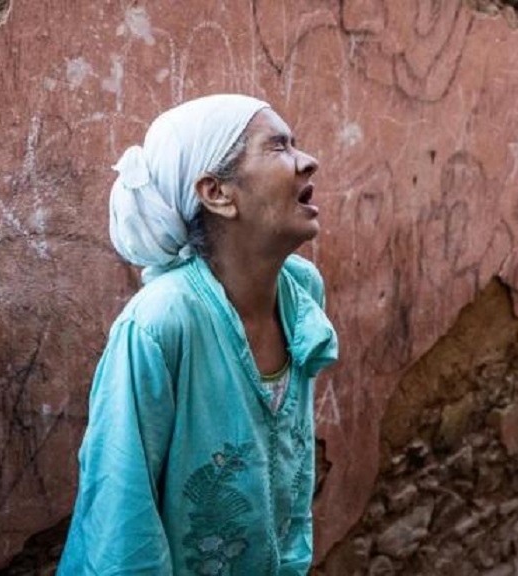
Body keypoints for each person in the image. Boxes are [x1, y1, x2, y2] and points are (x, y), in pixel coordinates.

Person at [58, 94, 338, 575]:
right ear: (217, 193)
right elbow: (121, 517)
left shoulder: (300, 291)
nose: (307, 160)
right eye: (279, 147)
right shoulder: (160, 322)